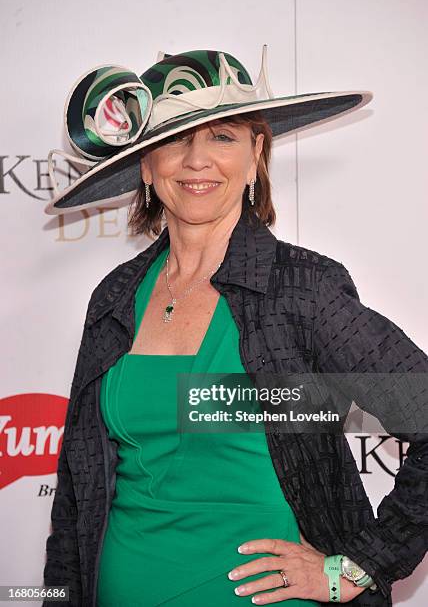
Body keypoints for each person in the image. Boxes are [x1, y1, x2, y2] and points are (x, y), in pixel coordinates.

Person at [42, 47, 428, 607]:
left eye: (223, 137)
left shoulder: (303, 288)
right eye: (175, 138)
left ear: (256, 156)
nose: (197, 160)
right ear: (146, 165)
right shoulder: (114, 297)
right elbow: (75, 493)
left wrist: (358, 567)